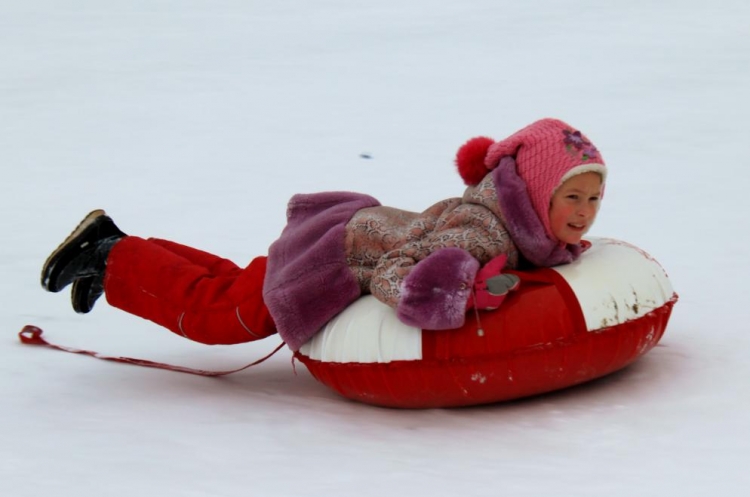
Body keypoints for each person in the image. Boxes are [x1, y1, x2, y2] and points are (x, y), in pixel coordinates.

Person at [40, 118, 606, 352]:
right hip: (334, 260)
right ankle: (110, 256)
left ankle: (117, 252)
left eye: (593, 198)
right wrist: (447, 294)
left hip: (347, 233)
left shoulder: (524, 231)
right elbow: (397, 273)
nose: (583, 213)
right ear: (534, 196)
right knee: (222, 316)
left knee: (239, 283)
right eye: (571, 198)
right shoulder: (482, 231)